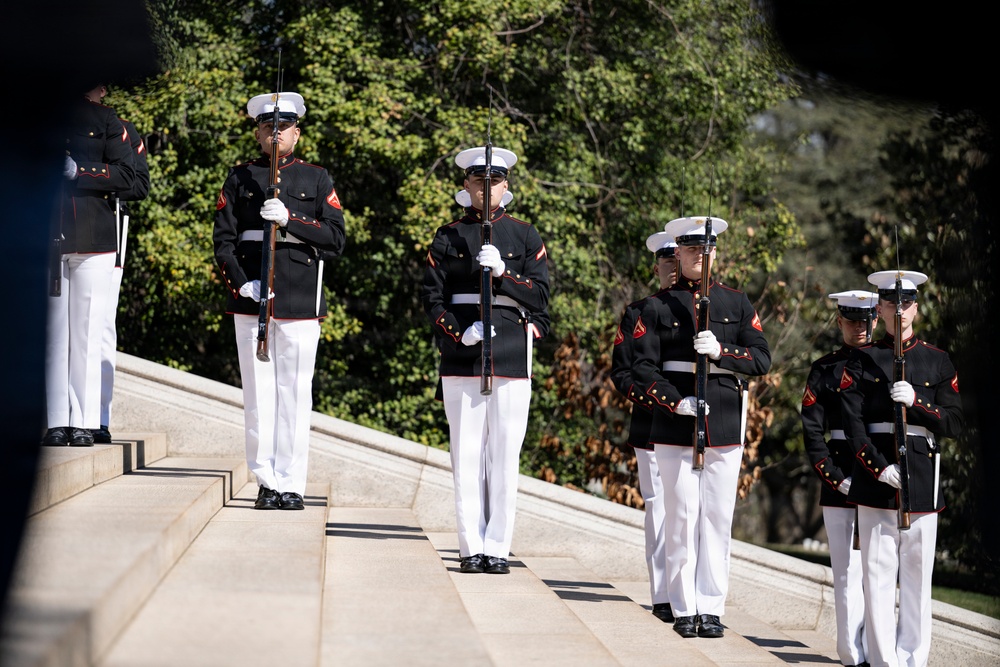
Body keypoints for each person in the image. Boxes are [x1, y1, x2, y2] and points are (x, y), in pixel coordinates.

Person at [631, 216, 771, 639]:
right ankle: (683, 606)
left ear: (715, 252)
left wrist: (724, 351)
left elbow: (761, 359)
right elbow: (642, 367)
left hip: (724, 421)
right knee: (680, 516)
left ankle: (711, 606)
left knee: (715, 518)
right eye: (691, 249)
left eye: (705, 249)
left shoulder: (737, 302)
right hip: (675, 423)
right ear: (680, 252)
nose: (699, 256)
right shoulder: (656, 306)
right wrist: (676, 402)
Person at [213, 92, 346, 510]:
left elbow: (335, 238)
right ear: (258, 134)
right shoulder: (239, 178)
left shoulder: (317, 178)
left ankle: (292, 483)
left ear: (297, 134)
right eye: (268, 127)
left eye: (284, 128)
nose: (276, 134)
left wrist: (291, 217)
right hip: (253, 297)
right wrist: (241, 285)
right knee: (258, 395)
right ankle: (266, 480)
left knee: (294, 394)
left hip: (301, 299)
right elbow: (223, 242)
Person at [421, 145, 550, 575]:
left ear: (506, 186)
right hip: (462, 354)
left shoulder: (526, 235)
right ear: (466, 185)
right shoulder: (448, 235)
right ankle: (469, 546)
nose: (485, 188)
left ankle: (497, 547)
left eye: (493, 181)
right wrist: (460, 331)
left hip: (512, 355)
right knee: (467, 455)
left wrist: (504, 275)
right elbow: (431, 298)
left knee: (504, 457)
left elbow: (542, 298)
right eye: (478, 181)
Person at [840, 270, 963, 667]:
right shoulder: (861, 359)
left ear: (916, 307)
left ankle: (913, 659)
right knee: (876, 580)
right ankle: (882, 661)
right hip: (877, 479)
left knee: (916, 582)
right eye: (891, 303)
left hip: (923, 481)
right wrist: (877, 468)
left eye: (906, 303)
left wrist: (917, 403)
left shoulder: (937, 360)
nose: (900, 310)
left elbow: (955, 423)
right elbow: (853, 424)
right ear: (881, 308)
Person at [43, 82, 136, 447]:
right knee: (54, 336)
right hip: (48, 235)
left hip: (94, 238)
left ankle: (82, 421)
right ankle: (55, 421)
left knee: (86, 333)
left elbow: (127, 176)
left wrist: (79, 169)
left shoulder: (107, 119)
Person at [801, 289, 877, 667]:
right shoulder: (824, 369)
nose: (859, 327)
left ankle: (876, 649)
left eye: (865, 321)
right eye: (851, 320)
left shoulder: (885, 364)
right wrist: (834, 477)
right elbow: (813, 433)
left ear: (876, 321)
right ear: (839, 321)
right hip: (841, 475)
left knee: (878, 570)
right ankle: (851, 653)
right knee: (846, 570)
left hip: (880, 476)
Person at [609, 230, 677, 622]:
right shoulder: (638, 312)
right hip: (652, 426)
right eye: (665, 264)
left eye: (676, 262)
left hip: (692, 431)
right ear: (656, 269)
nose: (671, 270)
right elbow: (623, 373)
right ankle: (663, 593)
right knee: (660, 509)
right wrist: (659, 401)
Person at [90, 84, 151, 444]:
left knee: (100, 325)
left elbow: (139, 185)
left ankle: (97, 415)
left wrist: (88, 178)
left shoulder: (122, 127)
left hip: (105, 230)